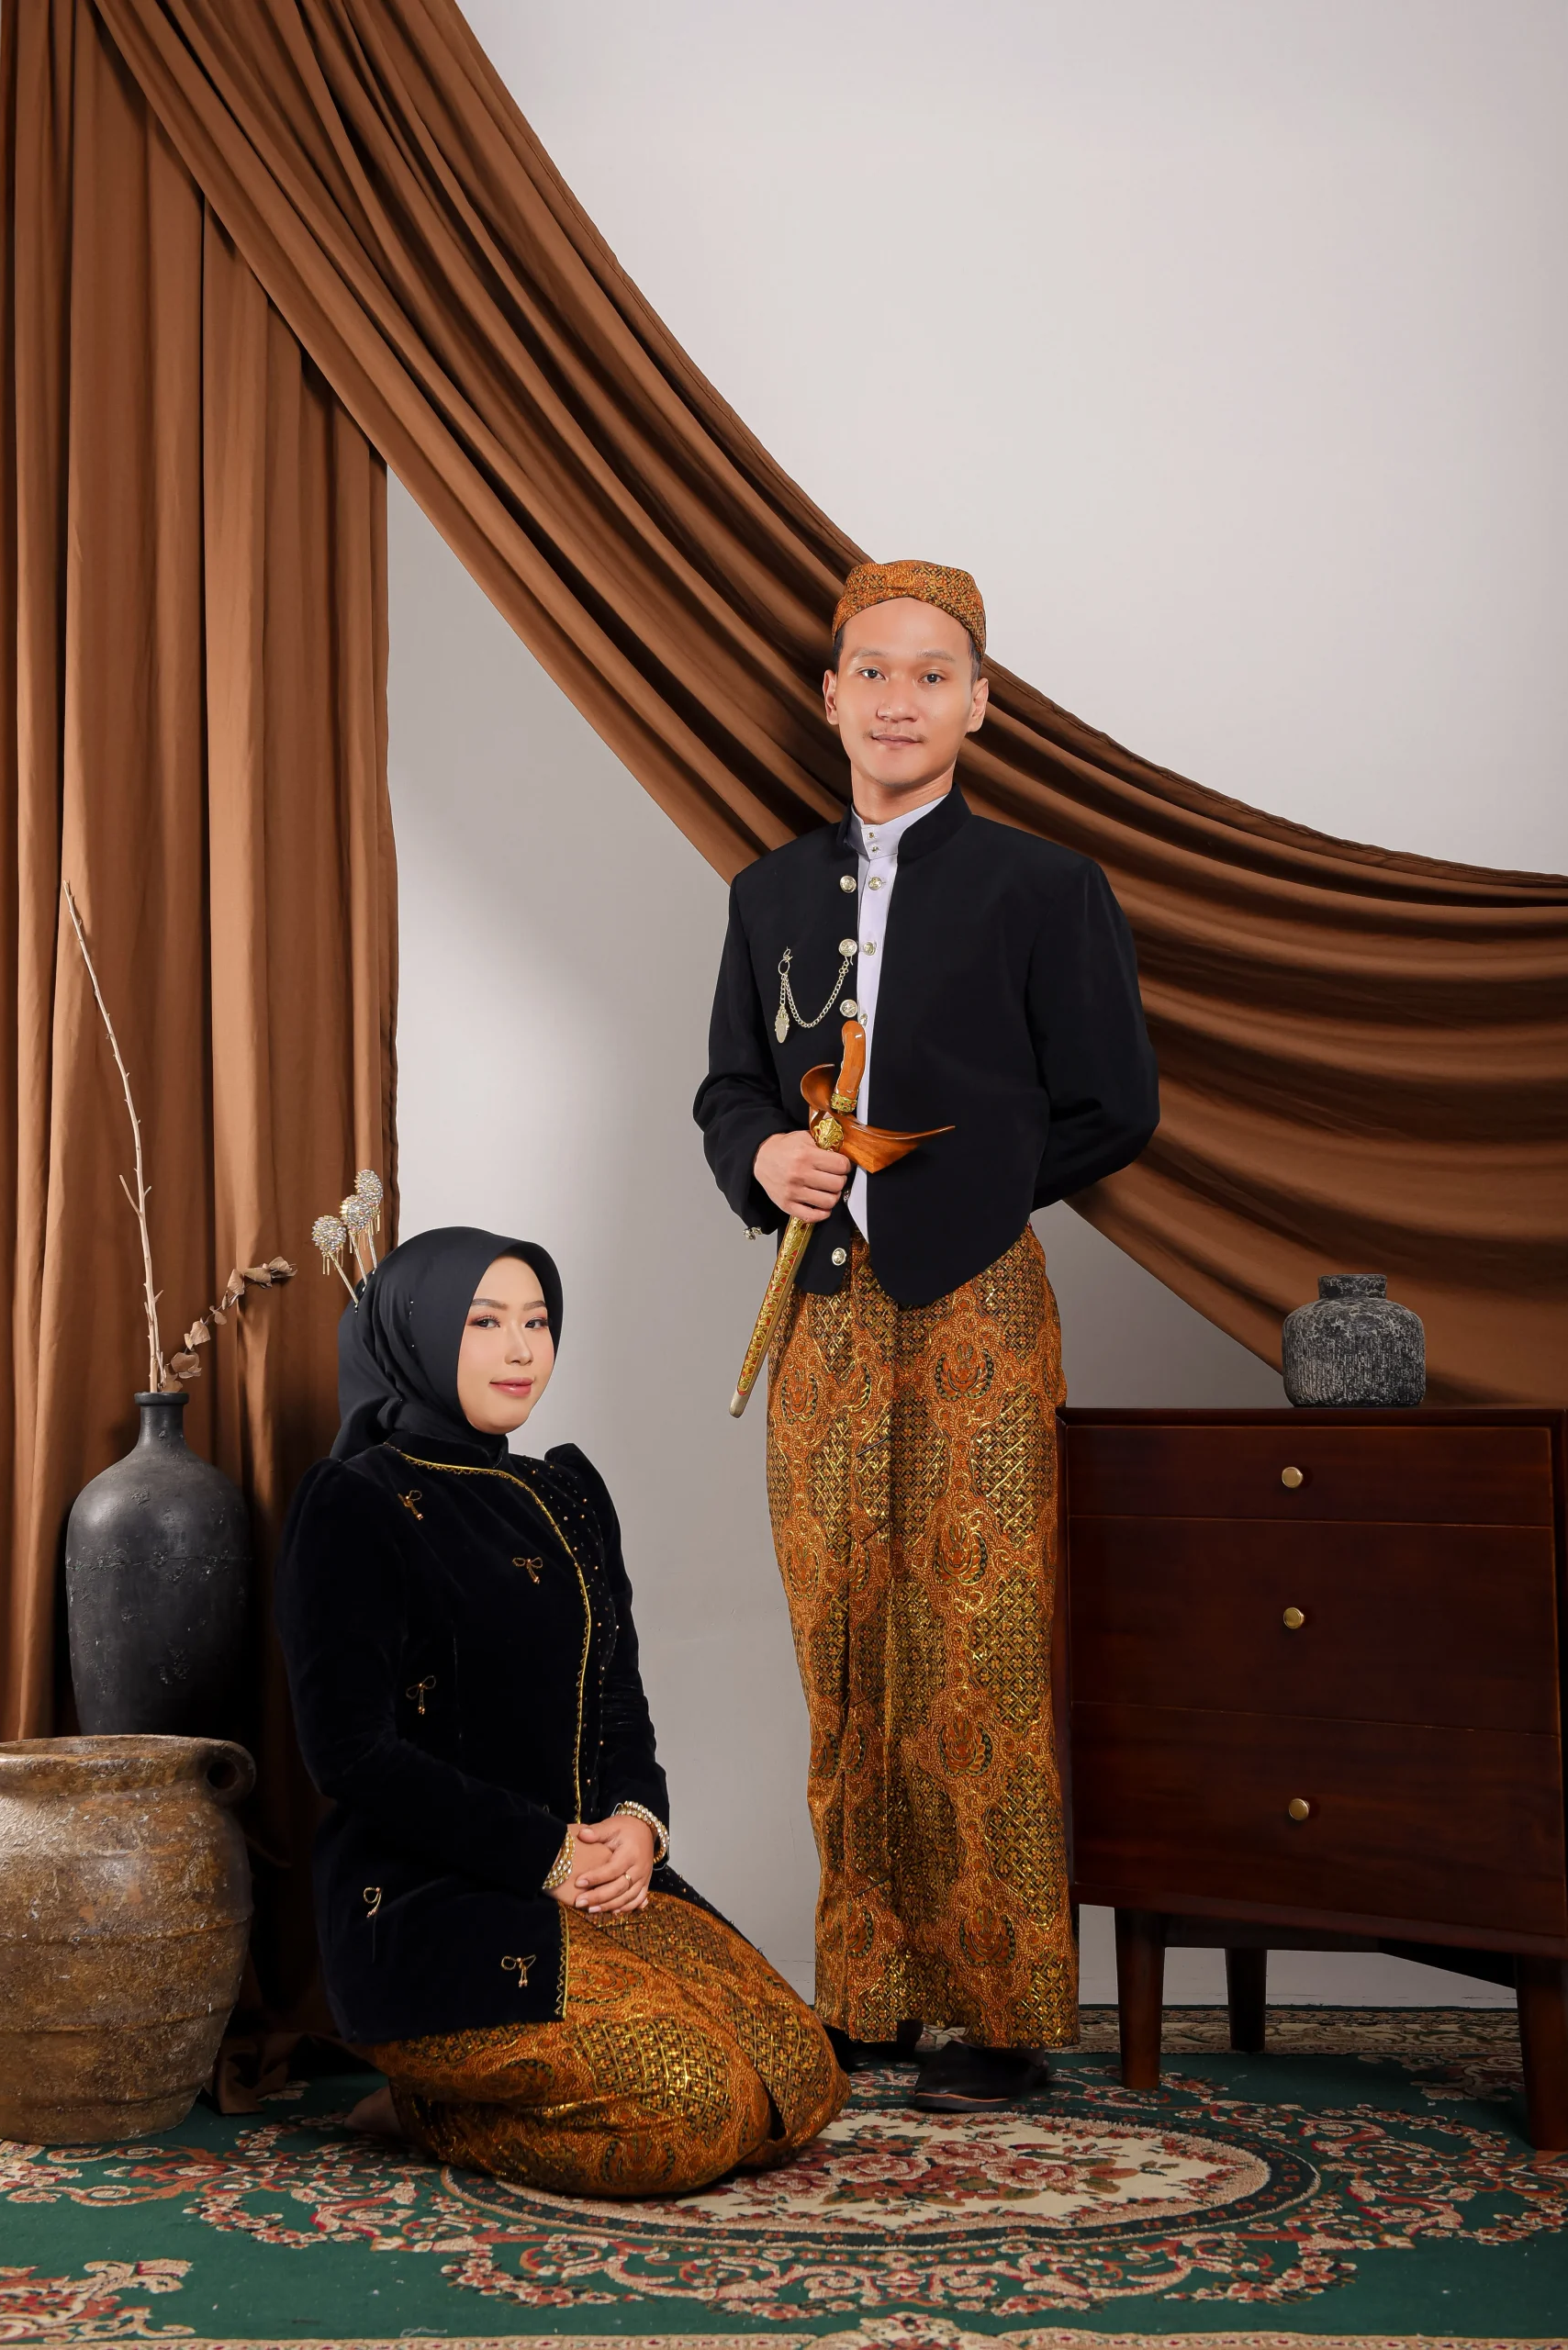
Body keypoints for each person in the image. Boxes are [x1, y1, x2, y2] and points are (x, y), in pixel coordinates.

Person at [695, 560, 1159, 2111]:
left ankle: (999, 2010)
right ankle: (869, 1995)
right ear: (830, 697)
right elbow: (728, 1089)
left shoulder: (1045, 886)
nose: (899, 700)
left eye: (932, 674)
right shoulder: (767, 894)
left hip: (977, 1310)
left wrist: (950, 1190)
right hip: (818, 1314)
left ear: (978, 703)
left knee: (978, 1641)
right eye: (873, 672)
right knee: (842, 1643)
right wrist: (765, 1156)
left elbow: (1114, 1104)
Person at [275, 1225, 845, 2196]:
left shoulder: (563, 1493)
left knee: (802, 2080)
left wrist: (637, 1821)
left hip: (588, 1885)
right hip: (425, 1910)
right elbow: (349, 1753)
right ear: (414, 1332)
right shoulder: (355, 1501)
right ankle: (425, 2108)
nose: (520, 1349)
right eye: (484, 1322)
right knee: (698, 2112)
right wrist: (546, 1853)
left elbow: (617, 1694)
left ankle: (462, 2096)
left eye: (536, 1322)